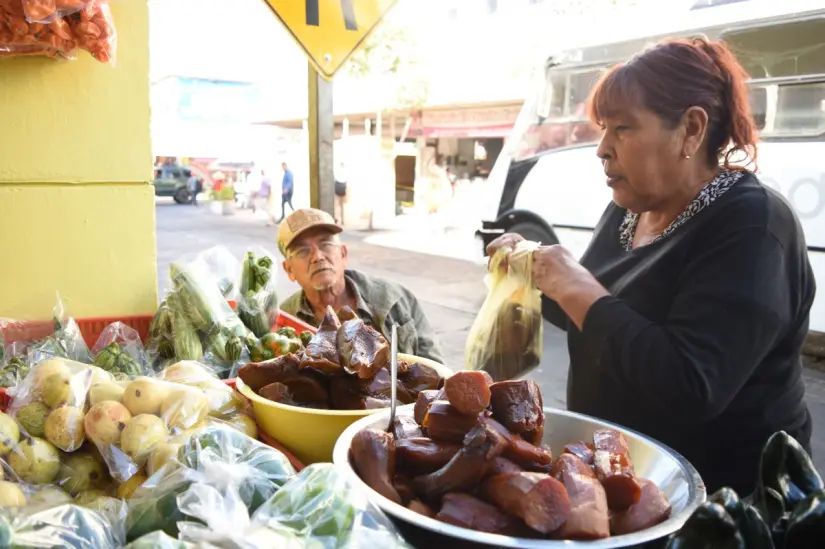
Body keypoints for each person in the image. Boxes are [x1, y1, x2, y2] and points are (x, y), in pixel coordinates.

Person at [486, 37, 814, 496]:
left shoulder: (752, 224)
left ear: (692, 129)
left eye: (622, 128)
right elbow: (603, 322)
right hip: (624, 474)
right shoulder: (629, 208)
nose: (602, 148)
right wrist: (534, 271)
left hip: (719, 502)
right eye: (603, 128)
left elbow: (689, 384)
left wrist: (579, 288)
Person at [278, 208, 444, 363]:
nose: (318, 256)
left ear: (343, 254)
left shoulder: (395, 298)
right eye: (302, 251)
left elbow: (437, 371)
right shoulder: (282, 321)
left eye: (325, 244)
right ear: (288, 269)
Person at [334, 161, 348, 226]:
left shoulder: (337, 168)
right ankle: (342, 219)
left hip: (338, 184)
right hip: (344, 184)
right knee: (341, 204)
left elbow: (335, 176)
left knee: (337, 204)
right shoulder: (345, 170)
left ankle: (338, 219)